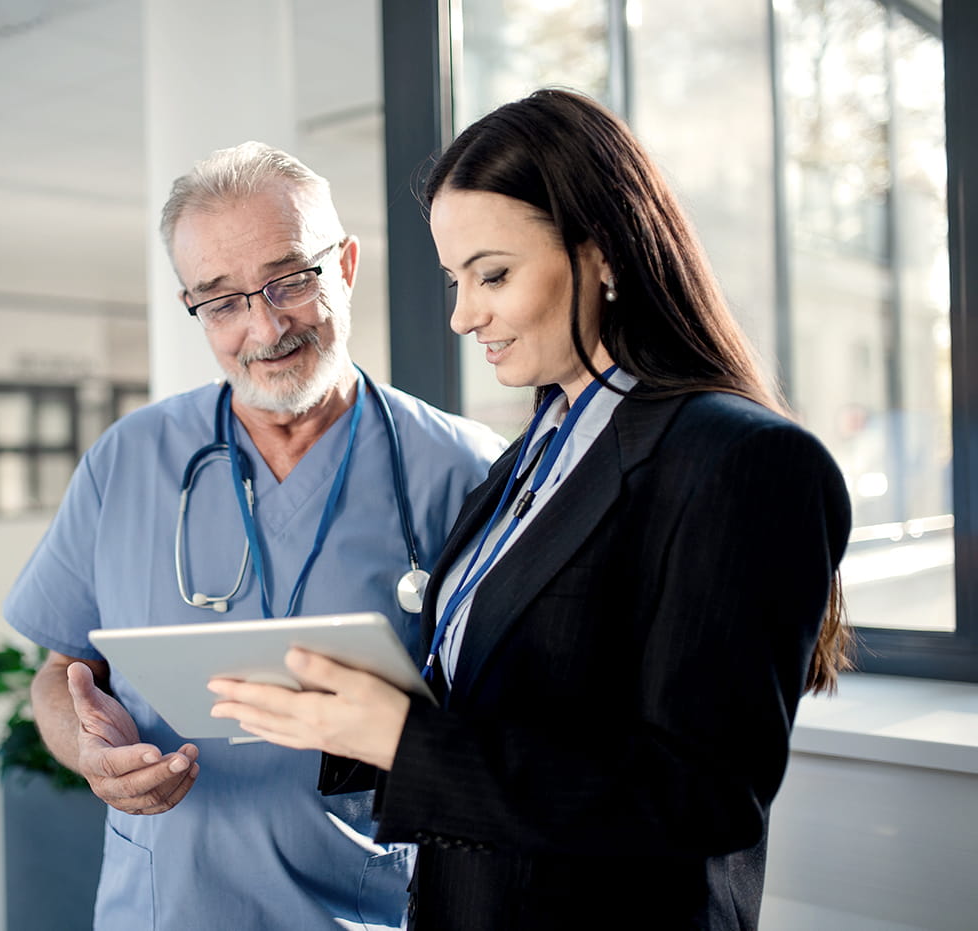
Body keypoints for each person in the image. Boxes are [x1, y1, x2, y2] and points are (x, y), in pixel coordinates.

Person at [209, 89, 853, 930]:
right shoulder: (531, 456)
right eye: (455, 280)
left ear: (604, 254)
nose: (461, 315)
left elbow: (700, 797)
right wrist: (355, 710)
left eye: (493, 275)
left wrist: (407, 741)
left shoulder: (740, 460)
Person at [3, 141, 504, 929]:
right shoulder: (127, 460)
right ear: (193, 308)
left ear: (345, 265)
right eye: (222, 302)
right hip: (163, 907)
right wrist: (90, 751)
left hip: (369, 905)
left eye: (290, 280)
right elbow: (62, 669)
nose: (264, 326)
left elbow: (514, 724)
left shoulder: (463, 468)